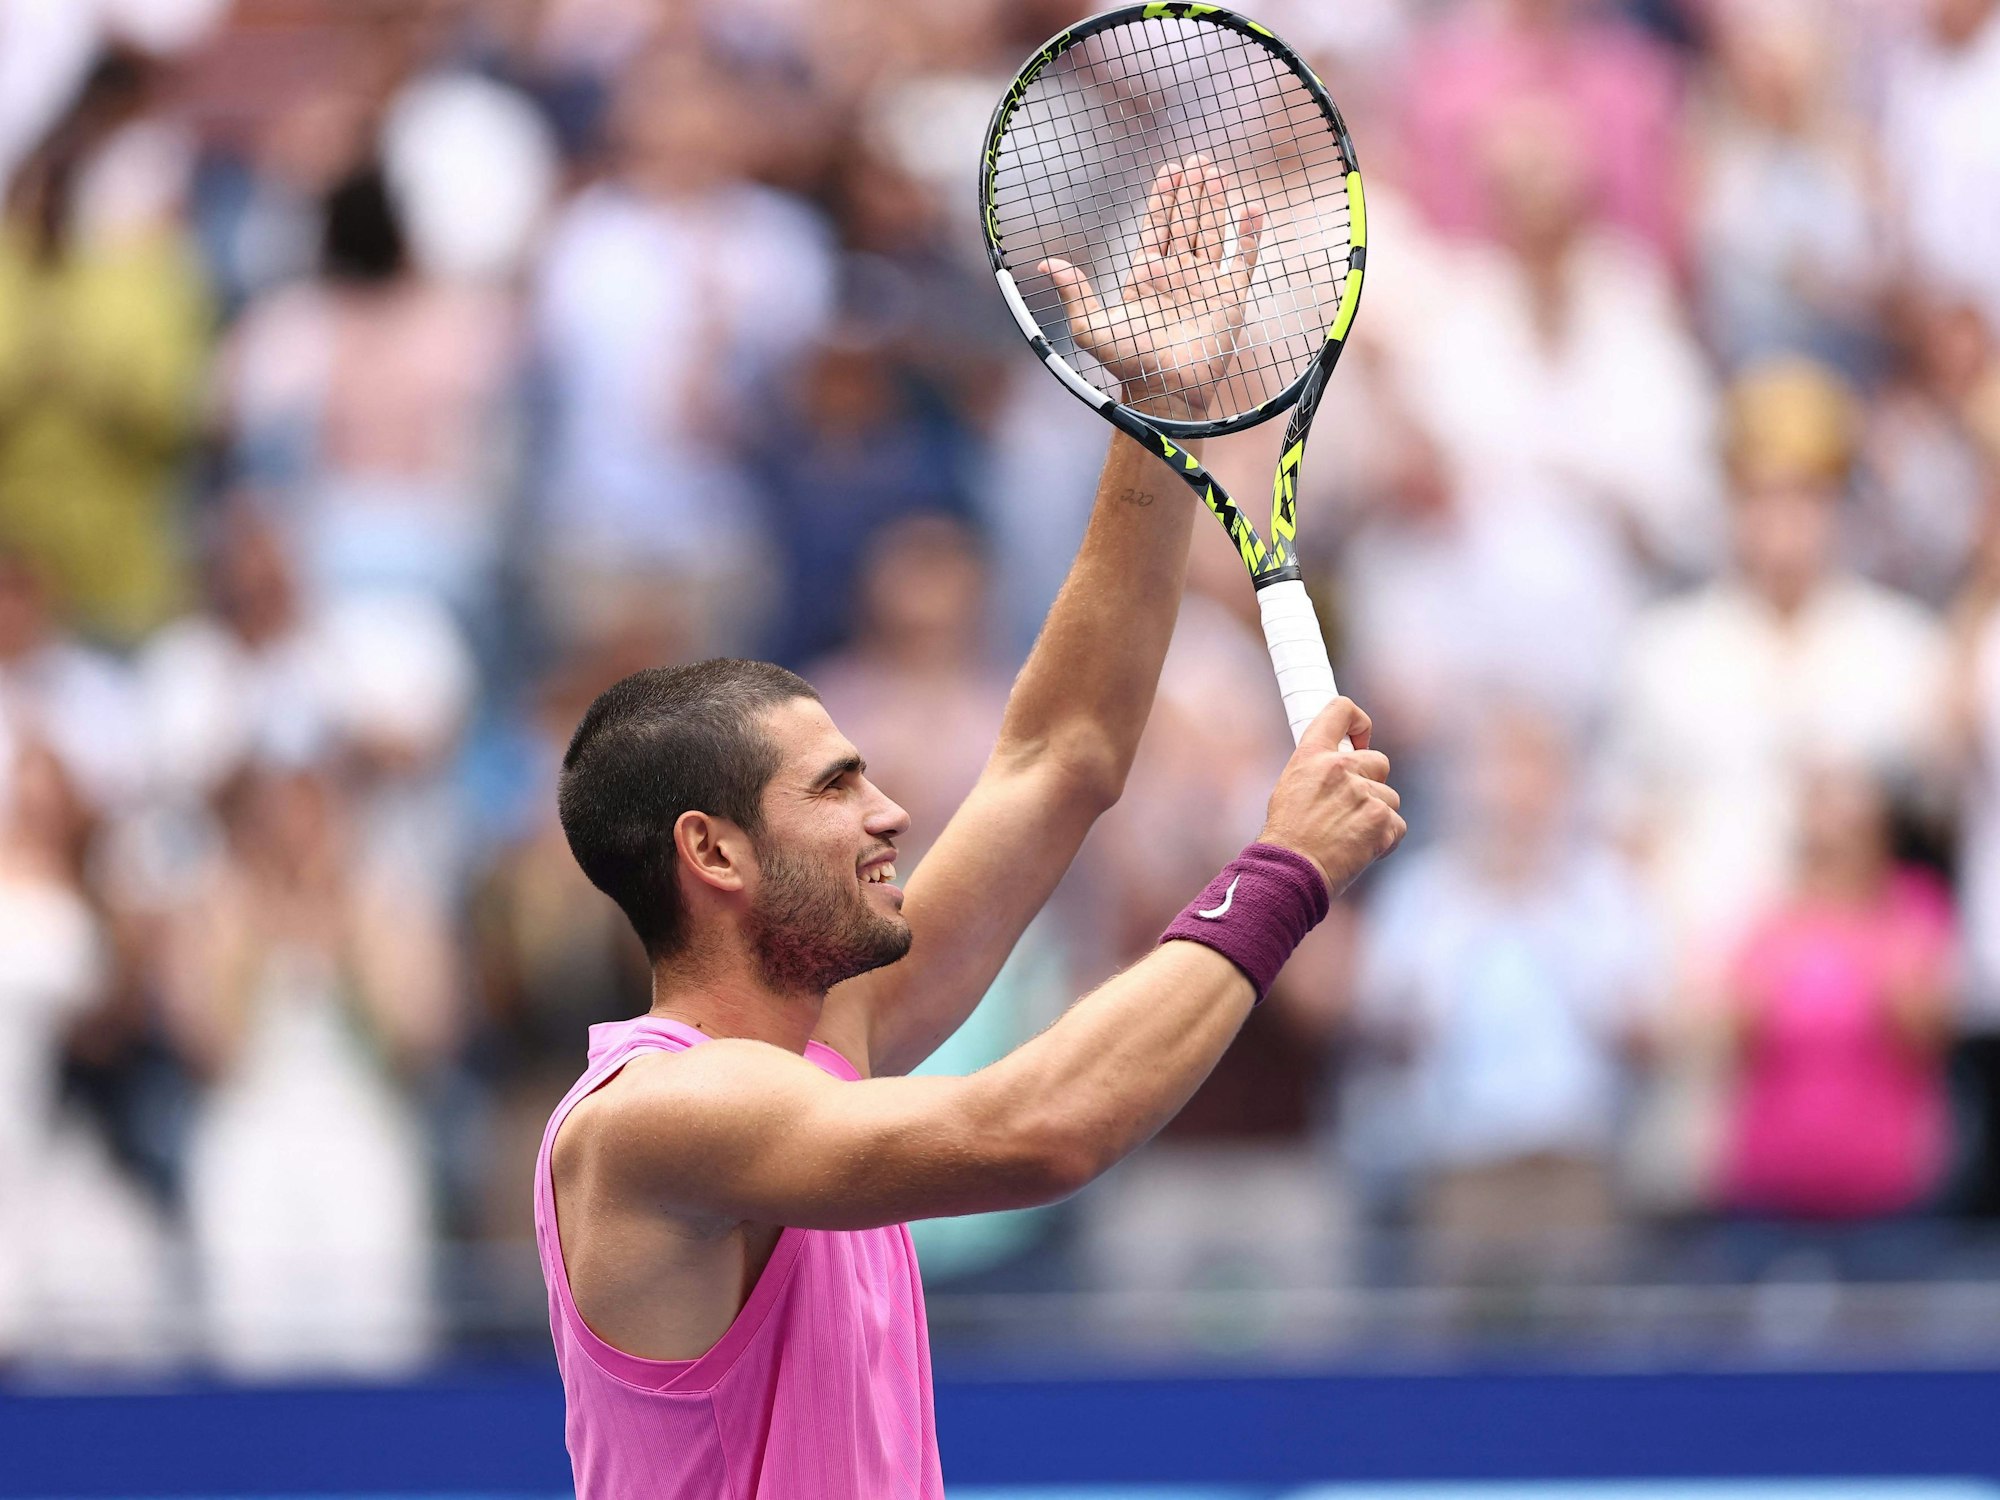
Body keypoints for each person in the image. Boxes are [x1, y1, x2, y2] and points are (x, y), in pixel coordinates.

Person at [534, 158, 1407, 1496]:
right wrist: (1280, 871)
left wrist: (1157, 411)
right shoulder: (658, 1119)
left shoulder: (830, 1042)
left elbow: (1061, 756)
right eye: (832, 788)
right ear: (711, 853)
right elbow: (1037, 1130)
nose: (890, 810)